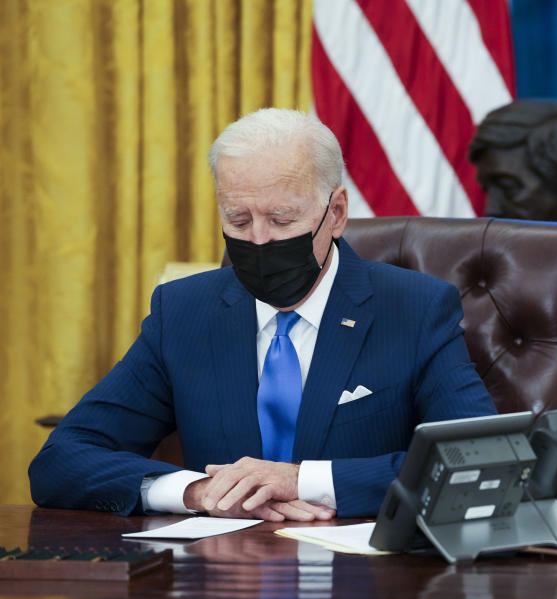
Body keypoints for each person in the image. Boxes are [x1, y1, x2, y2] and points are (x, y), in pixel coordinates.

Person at [29, 109, 497, 521]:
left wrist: (303, 482)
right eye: (237, 220)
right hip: (220, 583)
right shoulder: (184, 312)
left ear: (335, 213)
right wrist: (196, 491)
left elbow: (479, 463)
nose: (257, 240)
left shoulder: (414, 308)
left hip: (362, 590)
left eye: (281, 220)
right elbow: (62, 461)